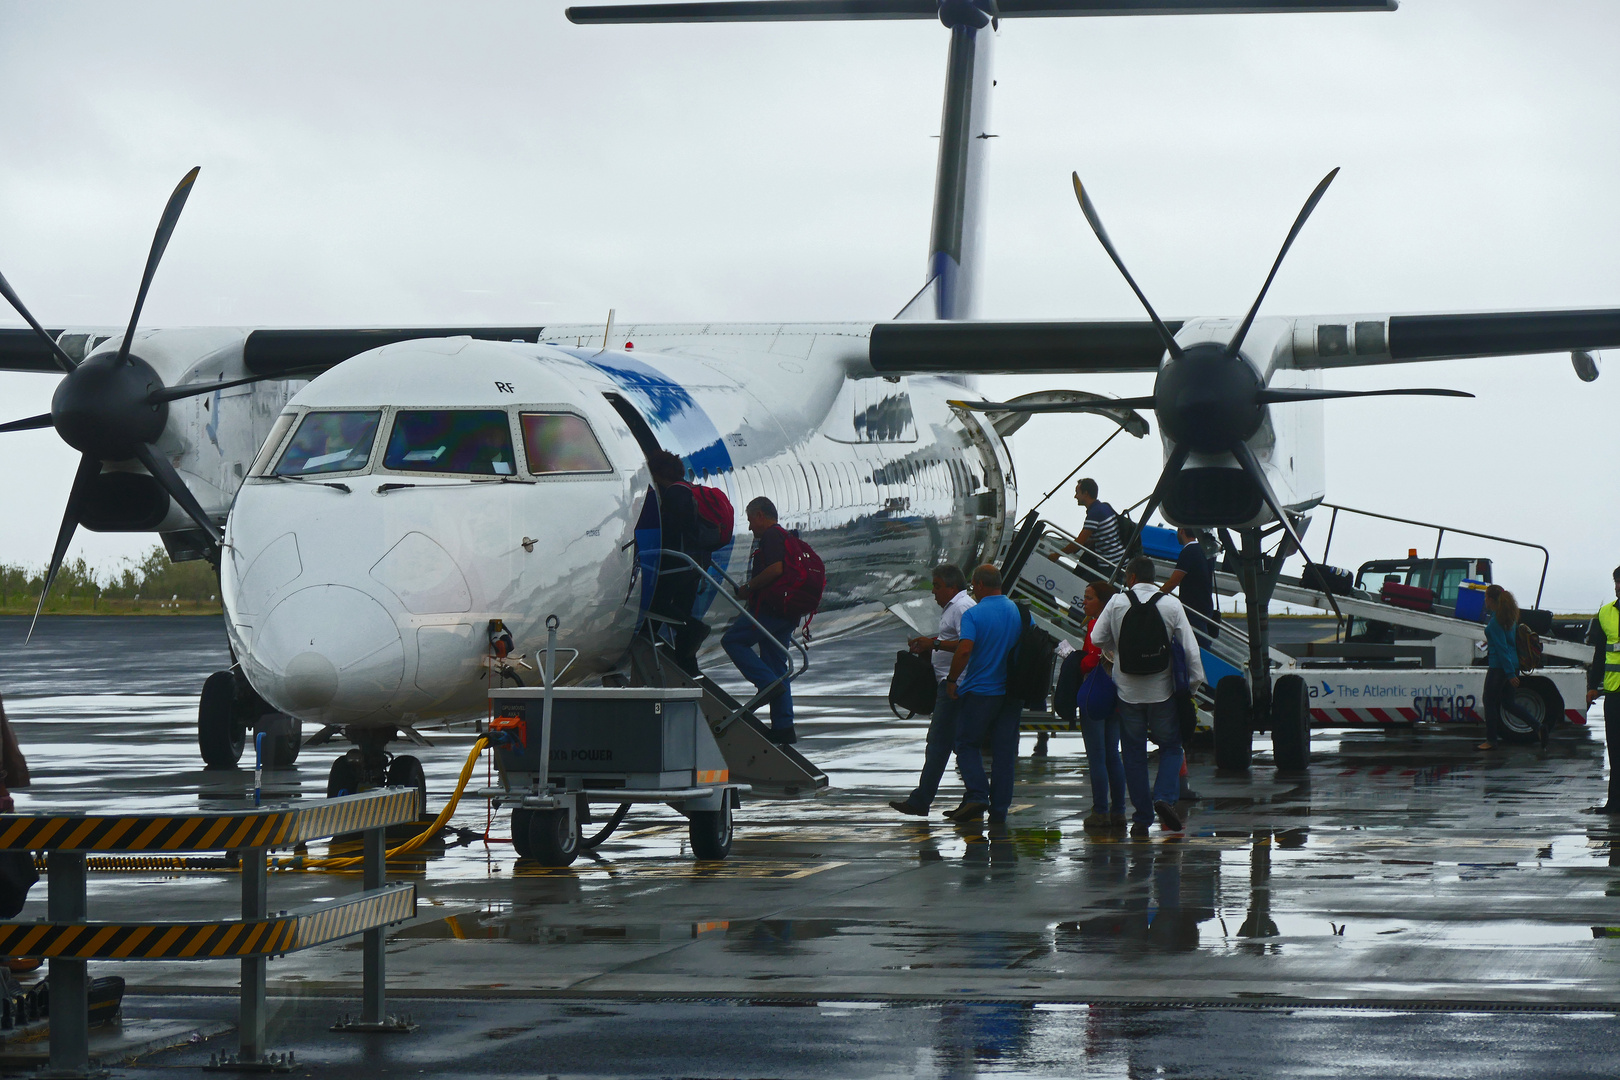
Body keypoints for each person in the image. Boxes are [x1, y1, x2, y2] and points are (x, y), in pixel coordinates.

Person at [1090, 556, 1205, 838]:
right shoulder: (1170, 604)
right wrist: (1191, 687)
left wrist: (1115, 651)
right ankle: (1164, 796)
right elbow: (1191, 651)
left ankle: (1141, 818)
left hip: (1128, 692)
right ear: (1153, 578)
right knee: (1171, 746)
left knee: (1133, 754)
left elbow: (1096, 638)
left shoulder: (1117, 602)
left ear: (1130, 577)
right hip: (1162, 691)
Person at [941, 565, 1025, 825]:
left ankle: (977, 793)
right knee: (1004, 753)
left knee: (966, 744)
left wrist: (952, 680)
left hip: (981, 691)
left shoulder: (974, 614)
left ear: (978, 585)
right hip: (1010, 691)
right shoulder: (1017, 610)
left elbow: (965, 649)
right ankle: (999, 811)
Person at [890, 565, 976, 817]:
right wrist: (931, 648)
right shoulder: (955, 607)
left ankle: (923, 800)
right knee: (953, 744)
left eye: (937, 586)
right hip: (951, 683)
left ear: (952, 587)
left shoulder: (961, 608)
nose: (934, 592)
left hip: (955, 685)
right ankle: (972, 797)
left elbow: (967, 644)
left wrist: (935, 644)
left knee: (940, 743)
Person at [722, 497, 800, 744]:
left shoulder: (771, 537)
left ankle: (765, 684)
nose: (749, 527)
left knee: (733, 641)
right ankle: (783, 727)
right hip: (787, 612)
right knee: (778, 668)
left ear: (759, 515)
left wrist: (748, 587)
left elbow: (776, 569)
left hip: (770, 611)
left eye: (749, 520)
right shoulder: (787, 536)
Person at [646, 449, 715, 674]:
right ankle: (687, 665)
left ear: (657, 473)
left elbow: (673, 528)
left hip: (678, 563)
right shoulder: (688, 489)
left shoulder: (675, 494)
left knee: (655, 606)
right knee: (681, 611)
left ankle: (695, 630)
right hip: (695, 562)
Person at [1074, 580, 1126, 831]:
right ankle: (1119, 810)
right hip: (1117, 694)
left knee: (1097, 756)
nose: (1084, 601)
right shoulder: (1119, 623)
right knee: (1112, 755)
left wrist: (1077, 661)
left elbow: (1091, 661)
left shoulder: (1097, 625)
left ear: (1103, 602)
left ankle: (1101, 811)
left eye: (1089, 597)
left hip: (1096, 695)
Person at [1586, 567, 1620, 812]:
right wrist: (1591, 685)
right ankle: (1614, 804)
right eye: (1617, 582)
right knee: (1615, 751)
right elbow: (1600, 655)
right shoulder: (1606, 613)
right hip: (1614, 694)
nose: (1618, 586)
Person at [1479, 585, 1525, 751]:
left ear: (1491, 600)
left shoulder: (1495, 622)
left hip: (1499, 667)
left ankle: (1491, 740)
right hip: (1512, 664)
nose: (1485, 600)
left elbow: (1502, 648)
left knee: (1489, 701)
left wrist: (1510, 674)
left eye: (1485, 597)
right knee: (1508, 703)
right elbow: (1507, 642)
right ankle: (1538, 726)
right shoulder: (1509, 618)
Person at [1057, 478, 1127, 579]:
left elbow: (1078, 544)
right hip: (1118, 562)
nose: (1075, 496)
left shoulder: (1095, 514)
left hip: (1109, 566)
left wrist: (1057, 554)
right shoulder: (1104, 507)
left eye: (1077, 492)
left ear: (1085, 493)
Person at [1161, 528, 1219, 643]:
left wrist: (1155, 595)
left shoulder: (1189, 551)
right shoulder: (1205, 550)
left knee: (1195, 645)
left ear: (1181, 531)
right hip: (1206, 606)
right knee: (1202, 644)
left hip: (1192, 608)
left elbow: (1174, 581)